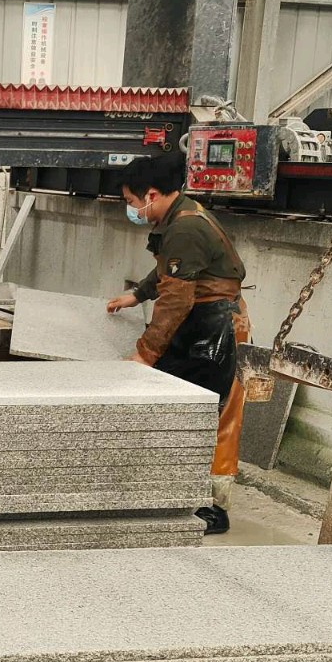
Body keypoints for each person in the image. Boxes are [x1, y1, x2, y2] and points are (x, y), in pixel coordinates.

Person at [105, 150, 249, 535]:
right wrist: (137, 295)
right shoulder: (177, 217)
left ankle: (212, 508)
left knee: (213, 413)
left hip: (217, 326)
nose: (131, 209)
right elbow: (170, 272)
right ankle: (174, 488)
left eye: (131, 202)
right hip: (200, 318)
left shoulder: (186, 227)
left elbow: (176, 299)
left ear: (151, 195)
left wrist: (145, 354)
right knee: (183, 406)